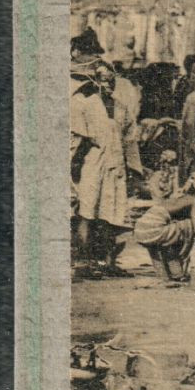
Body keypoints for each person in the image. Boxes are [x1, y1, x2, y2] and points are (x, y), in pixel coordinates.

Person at [70, 66, 130, 277]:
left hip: (115, 166)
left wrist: (132, 170)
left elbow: (129, 140)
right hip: (93, 165)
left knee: (112, 214)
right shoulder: (86, 106)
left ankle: (108, 262)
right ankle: (83, 263)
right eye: (104, 80)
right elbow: (77, 140)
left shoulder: (122, 108)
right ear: (96, 81)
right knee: (88, 212)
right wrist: (73, 169)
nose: (108, 84)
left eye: (111, 80)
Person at [132, 180, 195, 282]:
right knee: (186, 226)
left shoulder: (174, 198)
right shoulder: (194, 200)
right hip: (155, 229)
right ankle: (177, 273)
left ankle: (163, 275)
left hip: (141, 229)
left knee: (161, 242)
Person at [109, 47, 145, 184]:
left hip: (121, 123)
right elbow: (135, 106)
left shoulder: (124, 84)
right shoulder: (127, 84)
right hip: (125, 123)